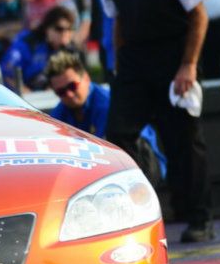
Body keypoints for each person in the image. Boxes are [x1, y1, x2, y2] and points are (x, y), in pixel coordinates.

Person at [95, 0, 213, 242]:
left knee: (183, 140)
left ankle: (199, 218)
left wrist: (188, 66)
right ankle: (141, 211)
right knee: (118, 136)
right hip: (133, 63)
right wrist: (118, 67)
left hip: (174, 58)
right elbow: (117, 21)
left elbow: (198, 14)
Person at [46, 51, 166, 186]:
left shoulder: (106, 104)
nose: (69, 94)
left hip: (144, 163)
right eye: (61, 92)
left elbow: (103, 153)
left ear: (86, 78)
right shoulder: (58, 113)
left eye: (72, 86)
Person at [0, 5, 78, 91]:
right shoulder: (27, 42)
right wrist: (28, 94)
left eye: (69, 29)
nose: (65, 33)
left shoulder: (71, 50)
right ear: (47, 29)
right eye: (59, 29)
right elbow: (6, 74)